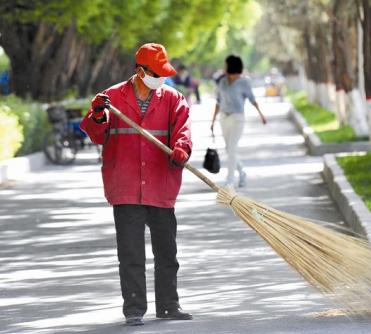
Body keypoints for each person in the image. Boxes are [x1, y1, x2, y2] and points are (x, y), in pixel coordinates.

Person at [80, 43, 193, 326]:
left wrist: (181, 149)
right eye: (156, 73)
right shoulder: (111, 98)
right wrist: (96, 115)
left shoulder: (172, 98)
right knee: (130, 254)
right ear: (140, 71)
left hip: (160, 185)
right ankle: (133, 308)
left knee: (167, 252)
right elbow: (96, 134)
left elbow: (184, 132)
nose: (161, 79)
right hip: (126, 186)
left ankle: (168, 305)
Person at [210, 55, 266, 188]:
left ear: (232, 66)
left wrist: (261, 115)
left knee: (232, 147)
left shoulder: (244, 82)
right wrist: (212, 121)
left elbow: (252, 99)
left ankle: (230, 180)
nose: (224, 67)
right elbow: (218, 102)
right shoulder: (222, 82)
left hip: (237, 118)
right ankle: (242, 172)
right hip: (224, 117)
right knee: (229, 149)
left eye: (226, 65)